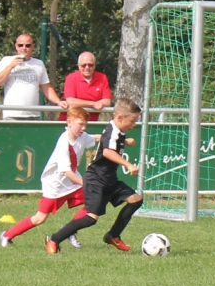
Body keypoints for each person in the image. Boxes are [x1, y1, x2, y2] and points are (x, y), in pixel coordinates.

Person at [45, 97, 142, 254]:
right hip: (96, 180)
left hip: (109, 180)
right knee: (91, 218)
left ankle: (113, 235)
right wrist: (128, 164)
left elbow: (108, 142)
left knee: (136, 200)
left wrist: (126, 141)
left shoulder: (118, 131)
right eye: (132, 121)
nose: (134, 124)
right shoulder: (112, 132)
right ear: (120, 117)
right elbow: (107, 151)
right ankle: (54, 239)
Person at [0, 107, 99, 247]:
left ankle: (69, 230)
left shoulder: (82, 136)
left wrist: (116, 137)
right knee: (40, 218)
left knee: (94, 203)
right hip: (55, 185)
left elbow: (97, 138)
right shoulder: (64, 142)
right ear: (69, 122)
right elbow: (66, 172)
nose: (83, 128)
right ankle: (6, 235)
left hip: (72, 183)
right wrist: (86, 183)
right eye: (80, 124)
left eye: (85, 124)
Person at [0, 33, 67, 120]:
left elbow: (46, 87)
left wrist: (58, 101)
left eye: (27, 45)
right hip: (12, 114)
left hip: (33, 114)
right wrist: (10, 66)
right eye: (20, 45)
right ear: (16, 46)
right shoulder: (7, 60)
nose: (24, 48)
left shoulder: (38, 64)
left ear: (33, 47)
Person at [58, 52, 111, 122]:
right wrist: (93, 104)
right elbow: (71, 101)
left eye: (90, 65)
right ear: (78, 66)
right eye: (83, 65)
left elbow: (107, 102)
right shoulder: (71, 78)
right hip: (70, 122)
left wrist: (82, 103)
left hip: (91, 122)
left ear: (95, 66)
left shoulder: (102, 78)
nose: (87, 67)